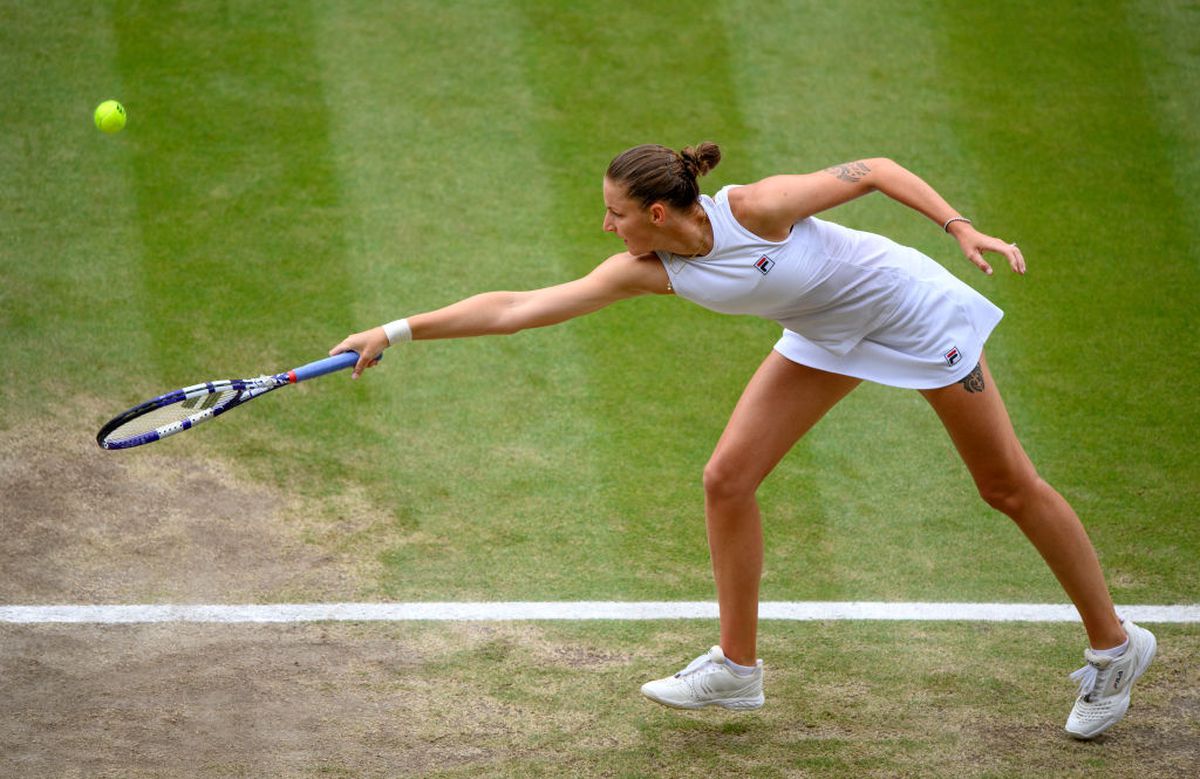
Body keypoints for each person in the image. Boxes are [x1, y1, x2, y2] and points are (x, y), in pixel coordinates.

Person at [330, 143, 1155, 739]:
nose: (605, 224)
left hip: (912, 314)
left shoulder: (757, 208)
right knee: (726, 477)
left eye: (615, 212)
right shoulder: (650, 268)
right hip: (823, 333)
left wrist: (959, 226)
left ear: (657, 213)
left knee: (1005, 486)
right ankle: (736, 669)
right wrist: (395, 331)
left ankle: (1116, 645)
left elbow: (872, 169)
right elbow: (517, 308)